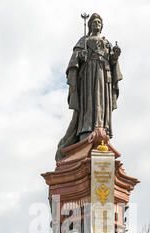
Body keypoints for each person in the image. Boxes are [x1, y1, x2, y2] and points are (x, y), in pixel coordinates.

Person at [55, 13, 122, 160]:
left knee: (102, 103)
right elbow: (75, 58)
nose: (96, 24)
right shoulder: (84, 40)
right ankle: (86, 130)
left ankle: (102, 128)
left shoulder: (107, 43)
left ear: (101, 26)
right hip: (88, 76)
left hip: (104, 76)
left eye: (99, 22)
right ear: (90, 24)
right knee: (90, 102)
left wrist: (115, 56)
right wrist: (81, 56)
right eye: (94, 22)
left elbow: (113, 62)